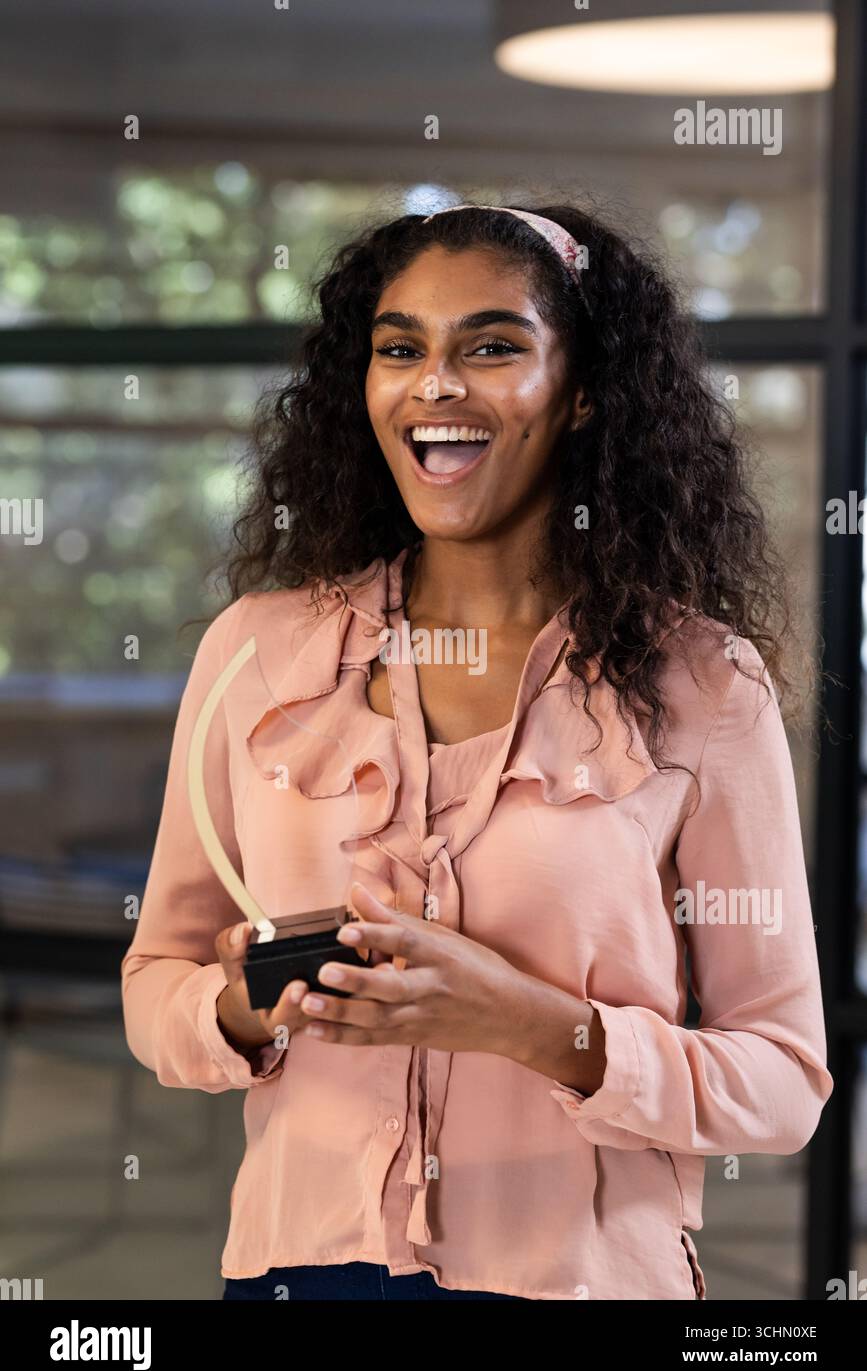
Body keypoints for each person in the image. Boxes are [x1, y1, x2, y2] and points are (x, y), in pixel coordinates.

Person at [121, 202, 834, 1301]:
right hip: (300, 1275)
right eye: (400, 348)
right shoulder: (255, 655)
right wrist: (237, 1008)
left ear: (586, 388)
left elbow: (783, 1084)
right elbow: (155, 980)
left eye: (491, 347)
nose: (436, 384)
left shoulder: (702, 685)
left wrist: (540, 1027)